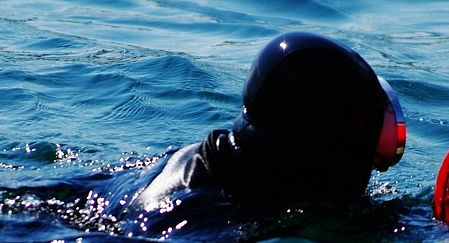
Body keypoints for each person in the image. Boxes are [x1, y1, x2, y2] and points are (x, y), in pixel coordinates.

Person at [129, 31, 405, 217]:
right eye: (365, 129)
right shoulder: (208, 211)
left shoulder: (220, 159)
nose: (374, 163)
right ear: (326, 139)